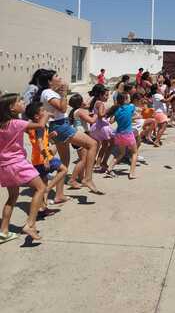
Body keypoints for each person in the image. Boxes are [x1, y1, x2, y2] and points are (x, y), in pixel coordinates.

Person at [37, 70, 102, 194]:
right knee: (92, 144)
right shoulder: (48, 92)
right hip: (60, 125)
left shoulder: (50, 92)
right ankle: (88, 178)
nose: (59, 77)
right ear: (50, 81)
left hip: (58, 125)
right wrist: (64, 93)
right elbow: (62, 108)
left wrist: (61, 92)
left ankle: (59, 195)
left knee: (64, 163)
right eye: (56, 76)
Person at [0, 93, 49, 242]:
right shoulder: (16, 123)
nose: (23, 102)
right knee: (41, 188)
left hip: (4, 166)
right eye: (19, 101)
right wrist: (45, 114)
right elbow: (40, 126)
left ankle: (4, 231)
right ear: (11, 108)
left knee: (12, 197)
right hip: (18, 164)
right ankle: (30, 224)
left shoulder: (2, 124)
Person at [25, 101, 68, 206]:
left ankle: (43, 206)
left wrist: (49, 136)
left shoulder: (32, 126)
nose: (45, 112)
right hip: (44, 157)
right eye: (43, 110)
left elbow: (39, 141)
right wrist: (45, 159)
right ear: (37, 116)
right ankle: (48, 189)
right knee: (63, 170)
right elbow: (40, 143)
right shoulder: (40, 127)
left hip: (36, 160)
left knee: (44, 181)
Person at [68, 94, 97, 189]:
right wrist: (96, 114)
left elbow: (88, 106)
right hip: (81, 136)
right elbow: (91, 121)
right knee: (83, 160)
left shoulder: (75, 111)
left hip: (77, 136)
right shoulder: (79, 111)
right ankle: (72, 180)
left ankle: (81, 178)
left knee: (82, 158)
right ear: (80, 102)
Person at [106, 93, 138, 180]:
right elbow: (136, 113)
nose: (130, 99)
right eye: (129, 98)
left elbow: (111, 121)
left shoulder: (117, 110)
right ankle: (131, 173)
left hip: (119, 134)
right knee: (134, 153)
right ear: (125, 100)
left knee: (121, 153)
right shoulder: (131, 107)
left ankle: (109, 168)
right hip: (128, 134)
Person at [88, 84, 114, 173]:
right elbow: (100, 115)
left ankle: (98, 163)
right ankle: (103, 162)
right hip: (101, 126)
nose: (107, 97)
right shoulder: (100, 103)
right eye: (106, 95)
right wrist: (110, 110)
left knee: (104, 144)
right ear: (100, 95)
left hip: (97, 126)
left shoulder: (96, 102)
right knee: (111, 143)